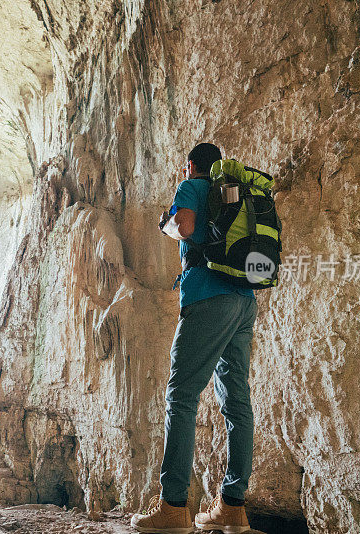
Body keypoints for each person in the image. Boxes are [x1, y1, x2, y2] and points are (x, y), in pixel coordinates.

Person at [131, 143, 257, 534]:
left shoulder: (193, 187)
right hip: (243, 300)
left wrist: (167, 223)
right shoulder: (234, 193)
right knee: (236, 401)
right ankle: (232, 507)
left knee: (180, 396)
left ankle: (172, 507)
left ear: (190, 166)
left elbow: (184, 226)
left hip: (207, 298)